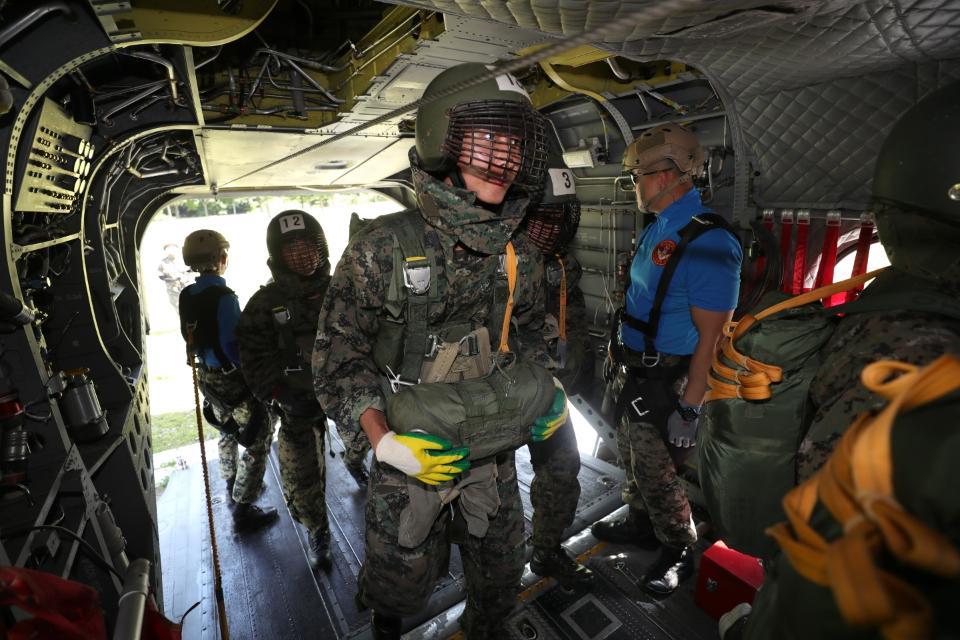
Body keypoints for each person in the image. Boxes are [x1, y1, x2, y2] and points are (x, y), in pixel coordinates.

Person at [313, 63, 564, 640]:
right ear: (439, 140)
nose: (506, 157)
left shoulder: (520, 254)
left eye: (514, 142)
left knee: (501, 574)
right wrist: (385, 444)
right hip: (412, 445)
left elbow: (531, 335)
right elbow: (337, 359)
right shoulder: (381, 250)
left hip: (492, 442)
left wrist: (548, 390)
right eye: (488, 138)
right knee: (397, 580)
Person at [591, 123, 742, 595]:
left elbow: (711, 338)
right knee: (634, 459)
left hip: (671, 380)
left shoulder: (709, 242)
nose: (634, 185)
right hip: (636, 370)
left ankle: (679, 548)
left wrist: (691, 408)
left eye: (637, 176)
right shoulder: (661, 226)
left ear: (663, 176)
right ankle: (641, 522)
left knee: (660, 472)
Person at [235, 210, 335, 571]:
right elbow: (253, 357)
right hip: (297, 408)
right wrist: (278, 392)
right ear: (278, 257)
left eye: (309, 246)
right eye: (292, 250)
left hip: (349, 399)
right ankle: (317, 530)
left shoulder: (343, 291)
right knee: (302, 479)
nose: (302, 255)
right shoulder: (263, 305)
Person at [523, 141, 594, 588]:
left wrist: (570, 374)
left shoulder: (563, 264)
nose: (554, 229)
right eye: (544, 219)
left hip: (551, 393)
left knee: (563, 472)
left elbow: (575, 322)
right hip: (501, 395)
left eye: (561, 219)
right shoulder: (494, 260)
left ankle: (546, 551)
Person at [178, 229, 277, 531]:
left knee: (227, 429)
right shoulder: (225, 298)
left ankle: (232, 482)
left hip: (208, 379)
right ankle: (243, 508)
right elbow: (235, 347)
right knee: (259, 441)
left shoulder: (186, 295)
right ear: (222, 259)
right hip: (233, 380)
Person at [158, 242, 190, 311]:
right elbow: (160, 276)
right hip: (173, 291)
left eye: (172, 249)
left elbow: (192, 271)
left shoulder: (185, 260)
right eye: (168, 249)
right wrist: (172, 280)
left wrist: (184, 278)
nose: (171, 251)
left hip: (187, 288)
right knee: (179, 308)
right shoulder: (162, 263)